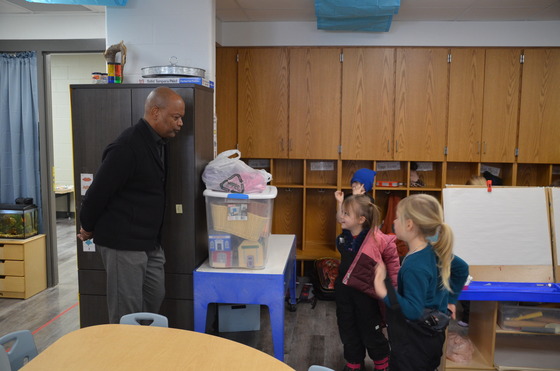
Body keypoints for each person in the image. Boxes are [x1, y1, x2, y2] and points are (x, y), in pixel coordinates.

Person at [77, 86, 185, 323]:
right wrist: (87, 226)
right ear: (155, 112)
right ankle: (123, 358)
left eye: (181, 118)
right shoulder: (127, 146)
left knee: (153, 299)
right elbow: (97, 193)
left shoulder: (158, 143)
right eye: (175, 117)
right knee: (127, 312)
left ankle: (142, 355)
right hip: (123, 242)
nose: (180, 124)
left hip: (149, 241)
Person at [373, 194, 469, 371]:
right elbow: (462, 269)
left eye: (397, 217)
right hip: (431, 338)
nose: (393, 221)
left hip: (412, 345)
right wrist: (451, 300)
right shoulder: (434, 250)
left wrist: (383, 289)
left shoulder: (414, 268)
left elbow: (412, 309)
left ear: (409, 225)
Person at [335, 194, 400, 371]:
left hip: (366, 295)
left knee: (371, 330)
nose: (342, 216)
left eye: (346, 214)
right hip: (345, 293)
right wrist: (340, 203)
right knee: (347, 328)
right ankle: (354, 362)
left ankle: (382, 363)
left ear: (361, 219)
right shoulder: (345, 237)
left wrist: (393, 293)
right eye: (342, 212)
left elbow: (393, 266)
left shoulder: (378, 239)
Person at [458, 175, 486, 327]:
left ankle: (469, 316)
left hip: (471, 249)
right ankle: (471, 316)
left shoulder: (463, 206)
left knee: (467, 280)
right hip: (474, 249)